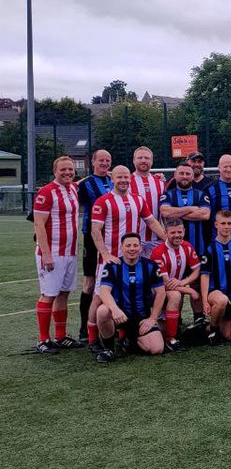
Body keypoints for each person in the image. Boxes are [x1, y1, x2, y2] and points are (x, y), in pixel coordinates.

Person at [89, 166, 167, 350]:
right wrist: (105, 254)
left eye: (126, 177)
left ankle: (126, 336)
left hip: (132, 255)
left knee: (131, 293)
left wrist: (167, 239)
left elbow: (151, 222)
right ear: (112, 179)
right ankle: (92, 340)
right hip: (111, 260)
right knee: (99, 299)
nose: (123, 180)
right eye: (119, 177)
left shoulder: (137, 200)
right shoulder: (103, 201)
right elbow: (95, 231)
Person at [32, 155, 81, 354]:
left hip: (70, 252)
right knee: (48, 294)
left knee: (63, 293)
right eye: (63, 170)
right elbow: (39, 225)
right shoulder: (46, 192)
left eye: (70, 169)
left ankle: (60, 336)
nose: (68, 172)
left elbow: (81, 182)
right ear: (55, 171)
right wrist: (46, 254)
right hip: (52, 253)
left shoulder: (73, 189)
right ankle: (43, 339)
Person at [95, 232, 166, 363]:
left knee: (157, 349)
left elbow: (161, 292)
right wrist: (115, 309)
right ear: (122, 247)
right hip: (119, 316)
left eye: (135, 245)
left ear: (140, 247)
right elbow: (104, 292)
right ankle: (109, 349)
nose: (132, 249)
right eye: (128, 246)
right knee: (102, 311)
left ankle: (128, 342)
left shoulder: (150, 266)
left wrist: (152, 318)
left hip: (141, 317)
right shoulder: (112, 265)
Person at [76, 147, 113, 340]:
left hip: (114, 236)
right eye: (101, 160)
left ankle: (109, 324)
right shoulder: (85, 184)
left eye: (108, 160)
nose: (105, 164)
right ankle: (84, 328)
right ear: (93, 162)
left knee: (112, 281)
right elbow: (68, 195)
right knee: (90, 282)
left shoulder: (114, 180)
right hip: (92, 237)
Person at [151, 218, 201, 348]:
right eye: (173, 233)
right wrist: (189, 290)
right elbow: (166, 284)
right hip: (156, 293)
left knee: (176, 294)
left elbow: (197, 270)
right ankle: (170, 338)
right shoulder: (158, 252)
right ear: (165, 232)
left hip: (176, 288)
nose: (177, 235)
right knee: (175, 295)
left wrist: (183, 282)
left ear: (184, 231)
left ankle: (173, 333)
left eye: (179, 232)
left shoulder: (187, 247)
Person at [200, 209, 231, 344]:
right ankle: (213, 329)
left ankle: (209, 328)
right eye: (223, 223)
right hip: (216, 293)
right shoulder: (209, 248)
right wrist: (205, 301)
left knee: (229, 336)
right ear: (216, 225)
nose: (226, 226)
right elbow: (205, 275)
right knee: (222, 300)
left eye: (229, 223)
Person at [160, 163, 212, 259]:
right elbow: (165, 212)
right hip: (172, 251)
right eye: (181, 173)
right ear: (175, 175)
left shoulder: (201, 194)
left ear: (192, 176)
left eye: (188, 174)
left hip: (198, 249)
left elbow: (205, 215)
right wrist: (190, 208)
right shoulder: (168, 194)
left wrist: (175, 212)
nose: (185, 176)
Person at [130, 146, 167, 258]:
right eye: (140, 157)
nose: (143, 160)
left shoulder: (160, 182)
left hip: (156, 239)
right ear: (134, 160)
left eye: (147, 158)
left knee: (155, 273)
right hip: (133, 240)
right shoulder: (126, 182)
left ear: (152, 161)